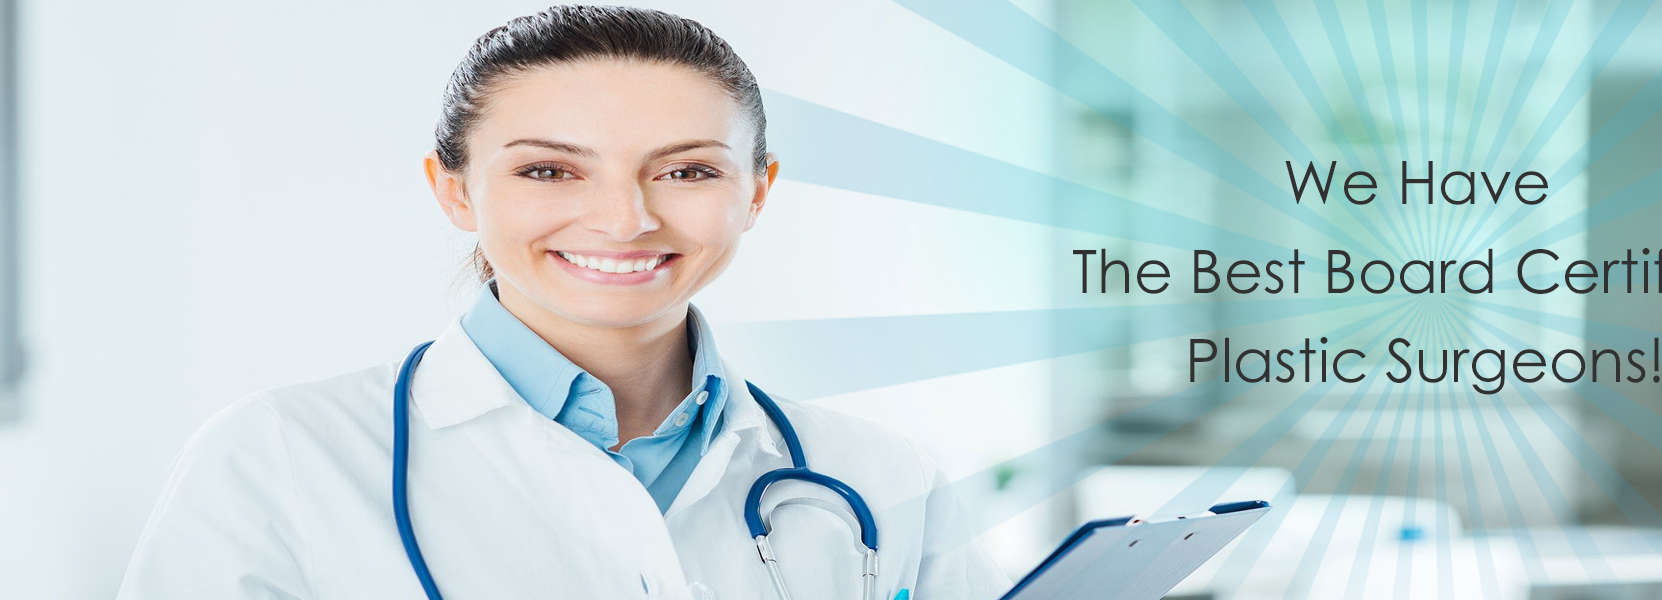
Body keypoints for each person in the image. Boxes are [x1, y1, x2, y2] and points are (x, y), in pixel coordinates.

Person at [117, 6, 1009, 599]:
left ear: (758, 191)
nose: (626, 218)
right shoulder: (280, 455)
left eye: (688, 170)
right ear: (456, 190)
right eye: (548, 169)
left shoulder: (879, 475)